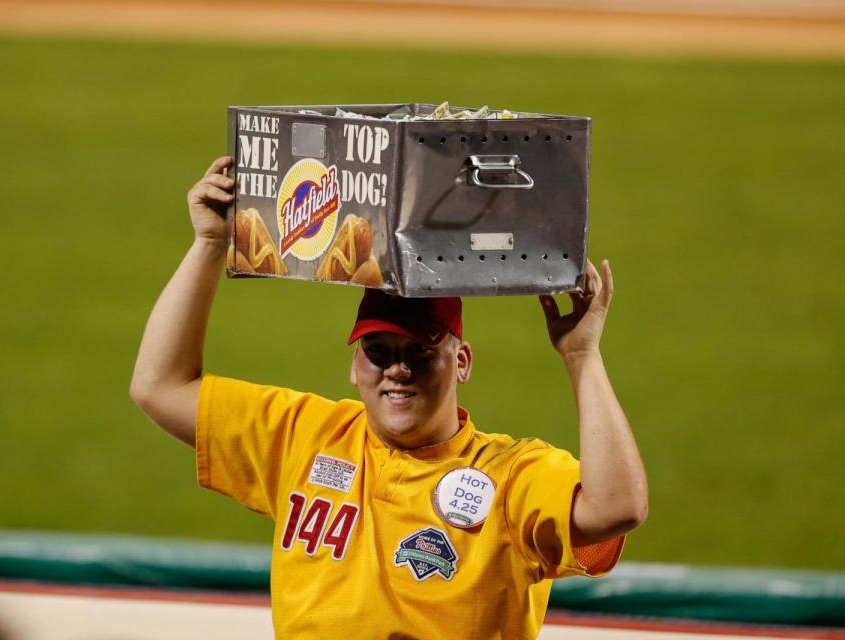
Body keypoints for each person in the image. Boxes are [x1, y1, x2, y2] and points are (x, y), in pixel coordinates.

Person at [130, 156, 648, 638]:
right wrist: (209, 245)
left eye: (420, 351)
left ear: (462, 362)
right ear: (355, 365)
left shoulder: (510, 476)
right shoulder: (303, 434)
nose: (397, 370)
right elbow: (159, 387)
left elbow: (617, 507)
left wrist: (582, 358)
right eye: (379, 351)